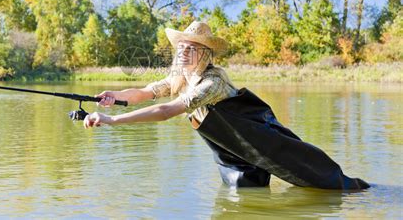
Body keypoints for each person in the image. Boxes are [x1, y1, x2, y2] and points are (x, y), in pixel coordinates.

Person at [84, 21, 370, 190]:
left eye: (191, 48)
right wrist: (114, 95)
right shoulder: (179, 78)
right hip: (233, 157)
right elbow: (147, 92)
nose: (183, 51)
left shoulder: (212, 83)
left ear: (205, 54)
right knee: (239, 202)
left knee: (333, 184)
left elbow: (165, 111)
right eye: (181, 46)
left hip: (266, 143)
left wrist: (112, 121)